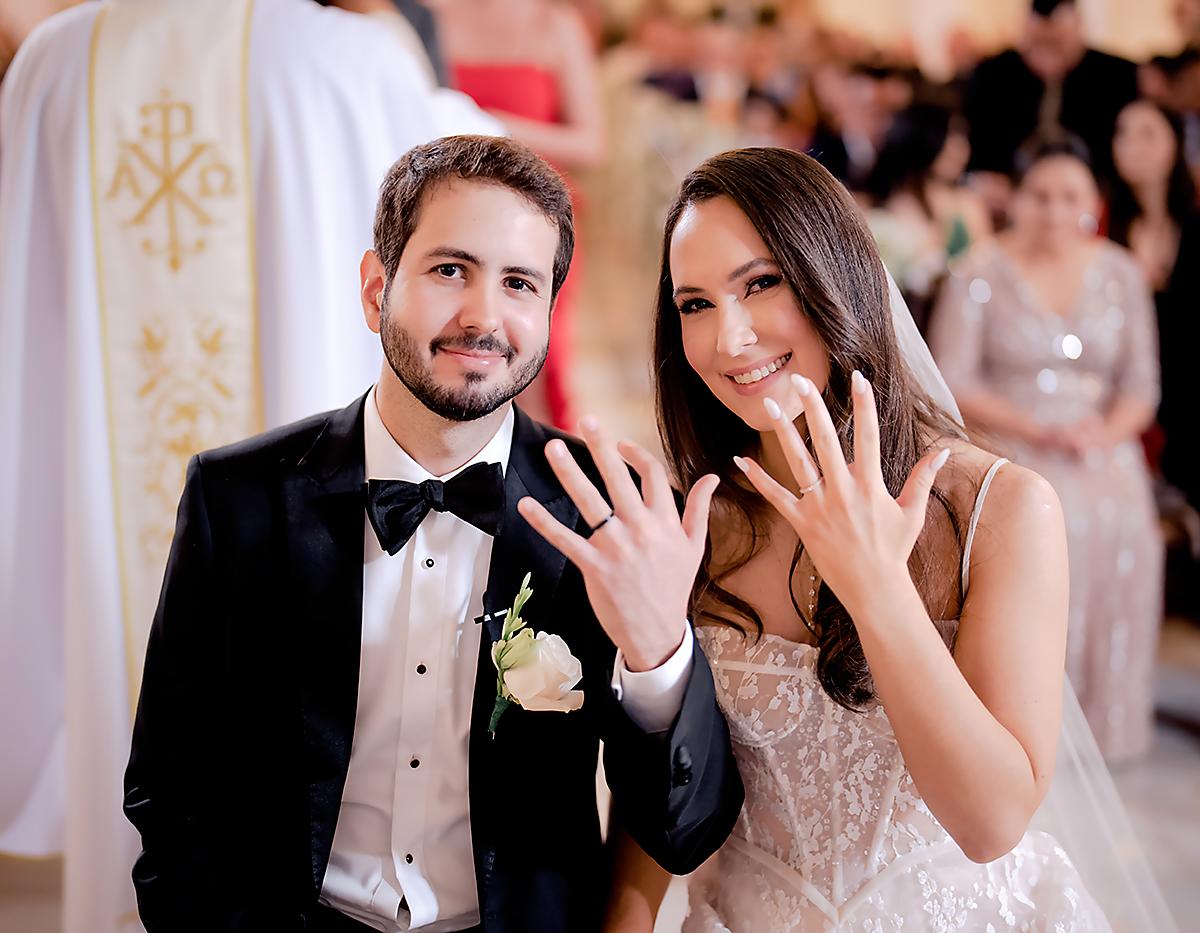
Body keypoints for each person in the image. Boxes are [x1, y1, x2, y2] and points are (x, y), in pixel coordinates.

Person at [123, 134, 743, 933]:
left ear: (548, 312)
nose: (484, 316)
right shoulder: (237, 496)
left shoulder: (606, 516)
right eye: (451, 269)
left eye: (519, 282)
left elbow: (684, 829)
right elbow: (170, 786)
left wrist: (658, 656)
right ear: (377, 288)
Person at [0, 0, 497, 929]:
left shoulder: (56, 63)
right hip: (326, 515)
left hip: (112, 511)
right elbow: (477, 217)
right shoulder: (354, 58)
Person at [599, 145, 1114, 930]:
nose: (728, 338)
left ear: (833, 276)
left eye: (761, 283)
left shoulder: (1002, 510)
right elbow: (651, 809)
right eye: (694, 303)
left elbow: (991, 822)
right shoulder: (694, 523)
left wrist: (877, 588)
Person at [930, 137, 1163, 764]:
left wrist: (1105, 432)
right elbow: (952, 375)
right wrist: (1036, 427)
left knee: (1116, 523)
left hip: (1102, 448)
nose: (1055, 211)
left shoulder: (1121, 272)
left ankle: (1104, 726)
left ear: (1094, 203)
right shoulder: (977, 270)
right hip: (1007, 443)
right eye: (1041, 195)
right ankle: (1020, 724)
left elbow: (1142, 387)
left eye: (1070, 197)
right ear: (1017, 199)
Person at [437, 0, 605, 429]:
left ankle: (529, 484)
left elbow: (592, 145)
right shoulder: (430, 14)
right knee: (451, 356)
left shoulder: (556, 26)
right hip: (447, 223)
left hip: (535, 228)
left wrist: (488, 123)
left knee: (528, 364)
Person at [1109, 98, 1200, 514]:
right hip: (1125, 388)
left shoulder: (1193, 223)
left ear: (1175, 144)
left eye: (1147, 133)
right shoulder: (1106, 227)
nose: (1132, 145)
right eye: (1123, 133)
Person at [964, 0, 1137, 207]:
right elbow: (969, 145)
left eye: (1056, 41)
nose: (1046, 51)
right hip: (1008, 203)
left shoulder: (1117, 76)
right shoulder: (991, 75)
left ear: (1078, 30)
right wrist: (979, 181)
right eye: (1037, 41)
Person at [864, 100, 991, 332]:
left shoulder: (968, 204)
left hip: (962, 323)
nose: (960, 149)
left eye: (962, 138)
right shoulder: (885, 210)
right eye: (951, 138)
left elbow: (986, 269)